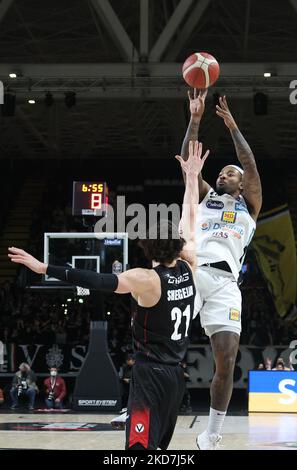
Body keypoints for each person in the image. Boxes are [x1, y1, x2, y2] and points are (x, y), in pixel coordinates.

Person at [8, 140, 209, 450]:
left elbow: (95, 279)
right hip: (175, 378)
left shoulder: (145, 280)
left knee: (138, 449)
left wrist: (44, 266)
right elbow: (191, 219)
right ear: (177, 244)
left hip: (149, 377)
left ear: (146, 245)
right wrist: (192, 178)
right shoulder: (189, 265)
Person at [180, 89, 262, 450]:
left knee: (226, 360)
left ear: (242, 184)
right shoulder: (205, 196)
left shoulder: (251, 206)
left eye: (231, 172)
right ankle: (142, 404)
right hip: (195, 273)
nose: (224, 174)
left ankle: (211, 434)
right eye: (223, 171)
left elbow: (251, 165)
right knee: (166, 343)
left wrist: (232, 127)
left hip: (227, 284)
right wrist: (196, 120)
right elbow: (188, 160)